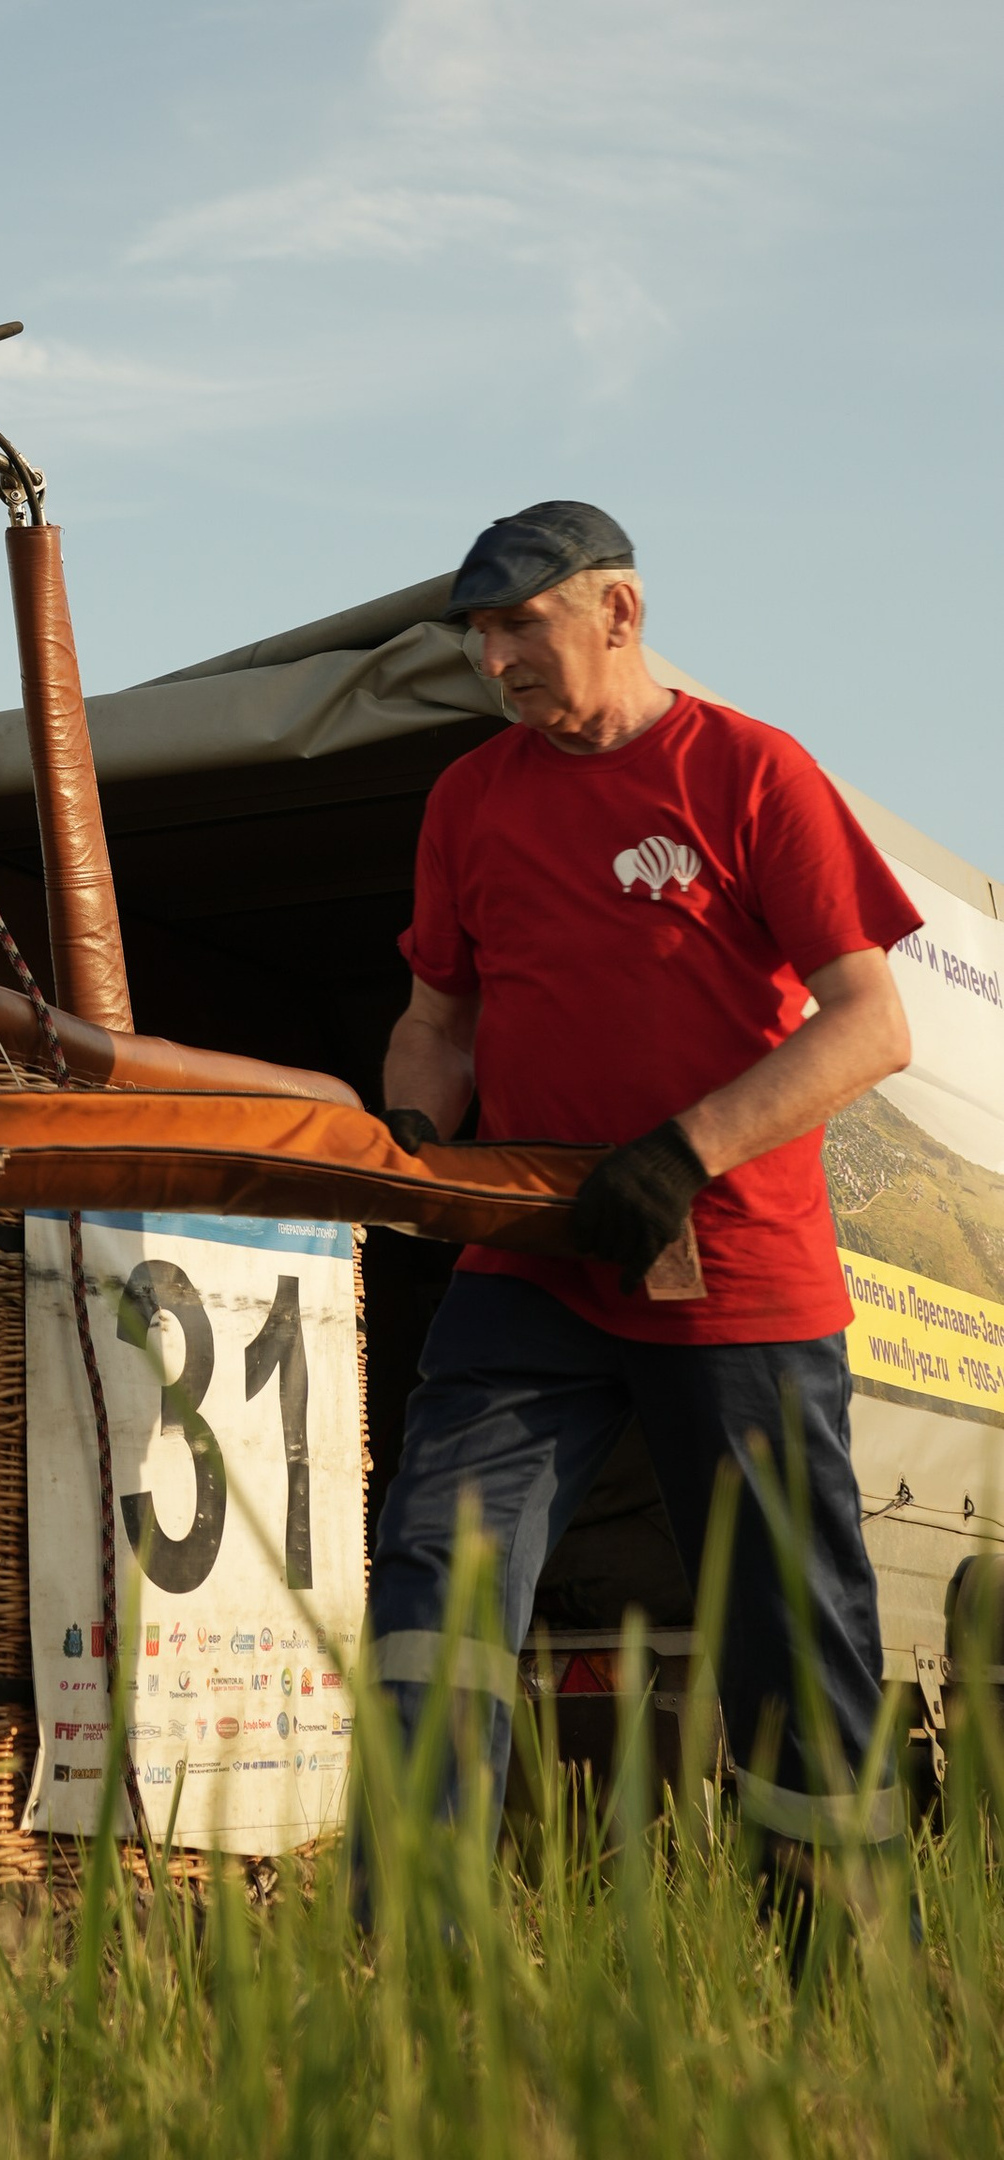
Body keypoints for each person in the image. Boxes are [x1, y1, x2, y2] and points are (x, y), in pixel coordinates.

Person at [363, 497, 920, 1857]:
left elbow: (871, 1023)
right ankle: (416, 1958)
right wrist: (413, 1144)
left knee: (787, 1634)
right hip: (534, 1262)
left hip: (735, 1270)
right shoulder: (470, 801)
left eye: (520, 627)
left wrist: (680, 1155)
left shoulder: (750, 773)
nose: (493, 664)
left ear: (619, 611)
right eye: (477, 637)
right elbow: (439, 1022)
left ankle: (842, 1954)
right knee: (436, 1562)